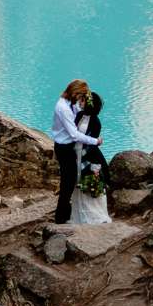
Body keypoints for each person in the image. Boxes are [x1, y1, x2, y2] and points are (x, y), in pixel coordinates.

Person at [50, 79, 101, 224]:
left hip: (67, 147)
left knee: (70, 181)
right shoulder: (63, 108)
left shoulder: (69, 104)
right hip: (64, 148)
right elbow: (74, 134)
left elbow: (79, 111)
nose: (80, 100)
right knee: (68, 182)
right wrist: (95, 141)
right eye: (80, 97)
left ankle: (65, 212)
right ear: (75, 93)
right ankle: (61, 217)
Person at [70, 90, 111, 225]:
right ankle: (78, 215)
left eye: (82, 101)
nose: (80, 103)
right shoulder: (79, 115)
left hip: (87, 155)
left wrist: (82, 154)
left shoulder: (96, 122)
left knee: (88, 181)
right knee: (76, 183)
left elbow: (92, 142)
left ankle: (93, 216)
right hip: (76, 152)